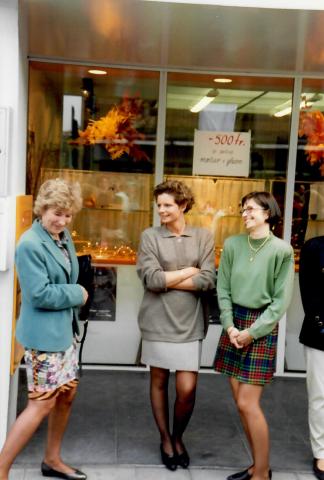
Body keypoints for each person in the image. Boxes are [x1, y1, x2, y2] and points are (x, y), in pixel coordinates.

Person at [0, 179, 88, 480]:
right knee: (41, 403)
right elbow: (38, 294)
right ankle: (1, 471)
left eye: (67, 214)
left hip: (64, 333)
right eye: (56, 213)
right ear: (42, 208)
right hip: (43, 338)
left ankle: (52, 460)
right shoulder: (29, 244)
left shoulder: (62, 237)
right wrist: (78, 293)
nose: (62, 220)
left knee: (67, 394)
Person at [214, 191, 294, 480]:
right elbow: (222, 288)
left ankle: (261, 474)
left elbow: (280, 302)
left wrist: (252, 332)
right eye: (243, 209)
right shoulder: (233, 244)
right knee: (240, 404)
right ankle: (257, 466)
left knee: (249, 404)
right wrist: (230, 326)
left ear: (267, 213)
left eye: (250, 209)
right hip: (234, 324)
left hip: (260, 327)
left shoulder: (282, 251)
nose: (244, 214)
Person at [136, 180, 215, 471]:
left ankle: (179, 435)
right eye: (159, 205)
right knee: (158, 381)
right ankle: (166, 440)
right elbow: (152, 280)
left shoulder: (203, 237)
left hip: (190, 324)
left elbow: (208, 280)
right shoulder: (150, 236)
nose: (162, 210)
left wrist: (170, 279)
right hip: (157, 321)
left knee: (186, 389)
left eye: (167, 204)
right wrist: (187, 272)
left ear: (182, 205)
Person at [299, 236, 324, 480]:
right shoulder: (314, 248)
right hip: (321, 333)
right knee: (320, 396)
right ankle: (322, 452)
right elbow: (310, 295)